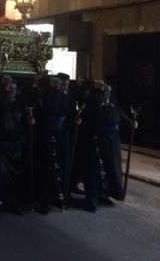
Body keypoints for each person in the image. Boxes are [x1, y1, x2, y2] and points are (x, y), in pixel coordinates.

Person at [0, 75, 32, 218]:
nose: (11, 91)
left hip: (15, 144)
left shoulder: (20, 103)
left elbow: (22, 122)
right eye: (9, 89)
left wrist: (29, 122)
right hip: (0, 143)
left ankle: (11, 202)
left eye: (14, 89)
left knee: (14, 176)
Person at [81, 82, 136, 212]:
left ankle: (106, 193)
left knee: (110, 168)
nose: (107, 93)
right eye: (105, 91)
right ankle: (92, 199)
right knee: (95, 170)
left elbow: (122, 116)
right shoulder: (93, 104)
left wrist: (131, 123)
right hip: (97, 140)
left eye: (109, 91)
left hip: (113, 142)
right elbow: (88, 119)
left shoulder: (113, 104)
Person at [33, 73, 76, 212]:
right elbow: (47, 110)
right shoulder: (48, 95)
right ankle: (44, 199)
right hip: (48, 134)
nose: (65, 87)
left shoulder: (68, 96)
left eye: (67, 85)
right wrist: (56, 92)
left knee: (63, 165)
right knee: (47, 167)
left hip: (62, 135)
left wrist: (75, 120)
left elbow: (70, 113)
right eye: (63, 84)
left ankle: (61, 196)